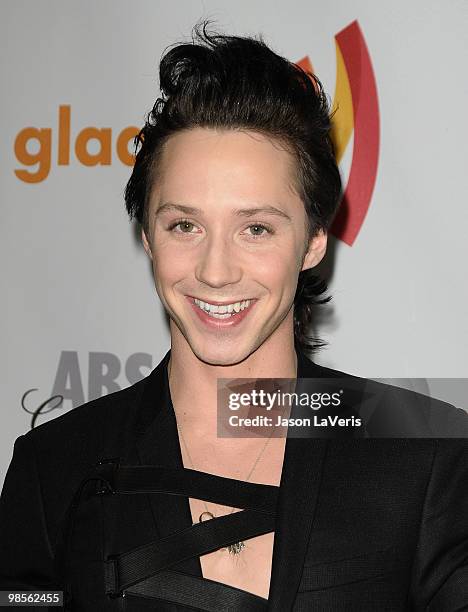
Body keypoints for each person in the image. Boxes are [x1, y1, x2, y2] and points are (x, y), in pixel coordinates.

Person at [1, 20, 467, 611]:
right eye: (185, 225)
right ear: (148, 235)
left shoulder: (426, 453)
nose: (215, 271)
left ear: (315, 240)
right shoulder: (54, 468)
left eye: (256, 228)